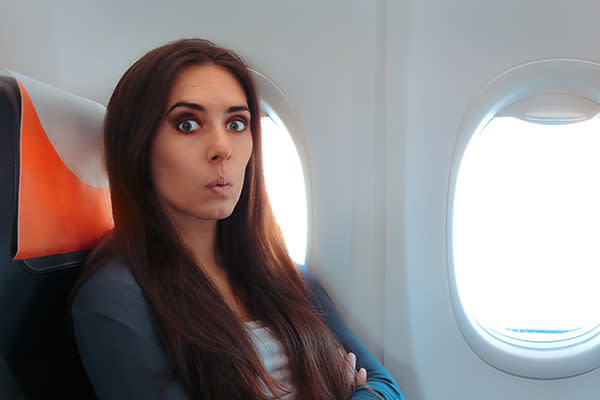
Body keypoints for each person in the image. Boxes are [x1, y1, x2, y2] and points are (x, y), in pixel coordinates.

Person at [71, 38, 404, 400]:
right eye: (187, 124)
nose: (222, 148)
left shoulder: (285, 273)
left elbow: (386, 387)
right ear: (136, 145)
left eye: (236, 123)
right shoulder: (115, 298)